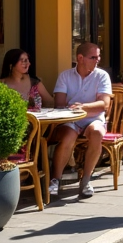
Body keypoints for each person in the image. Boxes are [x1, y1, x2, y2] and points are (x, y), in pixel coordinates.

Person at [50, 42, 113, 199]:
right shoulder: (65, 76)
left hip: (93, 118)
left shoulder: (102, 76)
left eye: (99, 57)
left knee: (98, 132)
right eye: (93, 57)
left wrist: (83, 106)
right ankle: (55, 180)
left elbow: (105, 104)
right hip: (70, 119)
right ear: (80, 58)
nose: (97, 60)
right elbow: (59, 103)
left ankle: (85, 179)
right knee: (68, 137)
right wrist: (72, 109)